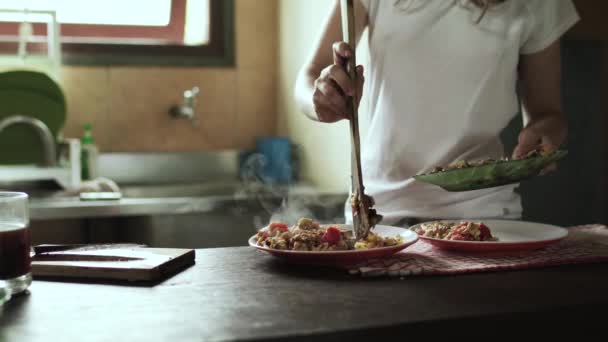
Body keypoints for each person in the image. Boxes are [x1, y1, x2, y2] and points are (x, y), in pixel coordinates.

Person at [295, 0, 579, 226]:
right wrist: (321, 100)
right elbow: (308, 79)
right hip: (380, 214)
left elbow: (548, 113)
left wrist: (545, 135)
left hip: (485, 214)